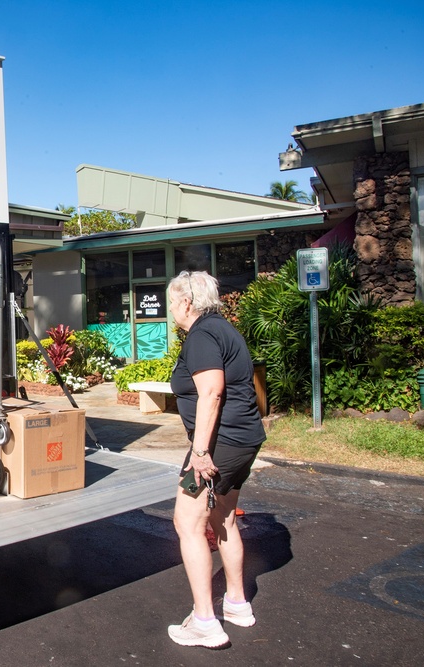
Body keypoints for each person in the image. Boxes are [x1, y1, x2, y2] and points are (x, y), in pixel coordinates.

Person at [166, 270, 266, 649]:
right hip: (243, 440)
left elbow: (211, 394)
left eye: (173, 302)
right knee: (222, 516)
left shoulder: (202, 334)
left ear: (187, 303)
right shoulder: (222, 328)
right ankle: (237, 604)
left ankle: (205, 622)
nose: (172, 309)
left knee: (187, 523)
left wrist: (201, 451)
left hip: (220, 445)